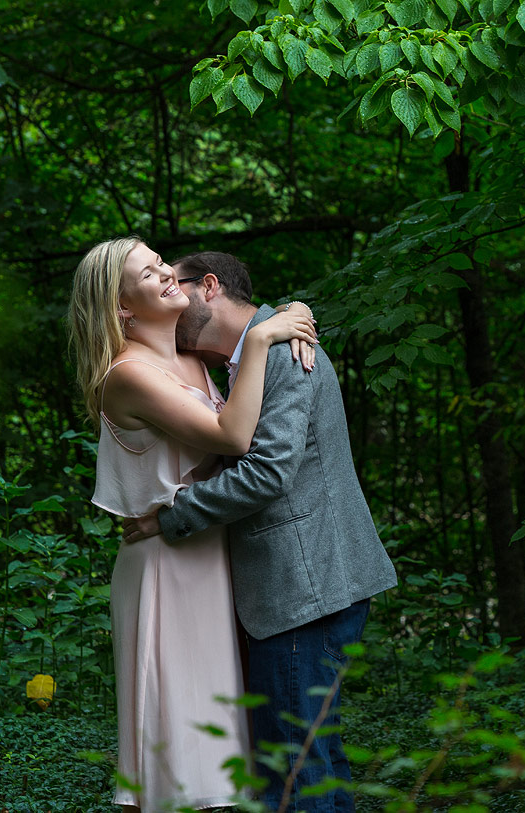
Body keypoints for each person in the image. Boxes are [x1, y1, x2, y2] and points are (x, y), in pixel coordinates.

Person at [121, 251, 399, 813]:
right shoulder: (254, 354)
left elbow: (267, 473)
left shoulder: (284, 353)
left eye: (175, 284)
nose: (170, 304)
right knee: (313, 758)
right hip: (297, 588)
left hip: (305, 588)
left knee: (293, 766)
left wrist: (169, 516)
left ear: (210, 288)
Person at [67, 236, 319, 812]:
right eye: (146, 271)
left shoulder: (192, 357)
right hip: (164, 565)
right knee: (178, 744)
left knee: (224, 741)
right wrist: (264, 336)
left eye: (161, 262)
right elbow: (233, 437)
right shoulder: (126, 375)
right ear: (121, 306)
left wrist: (292, 313)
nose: (164, 273)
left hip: (210, 555)